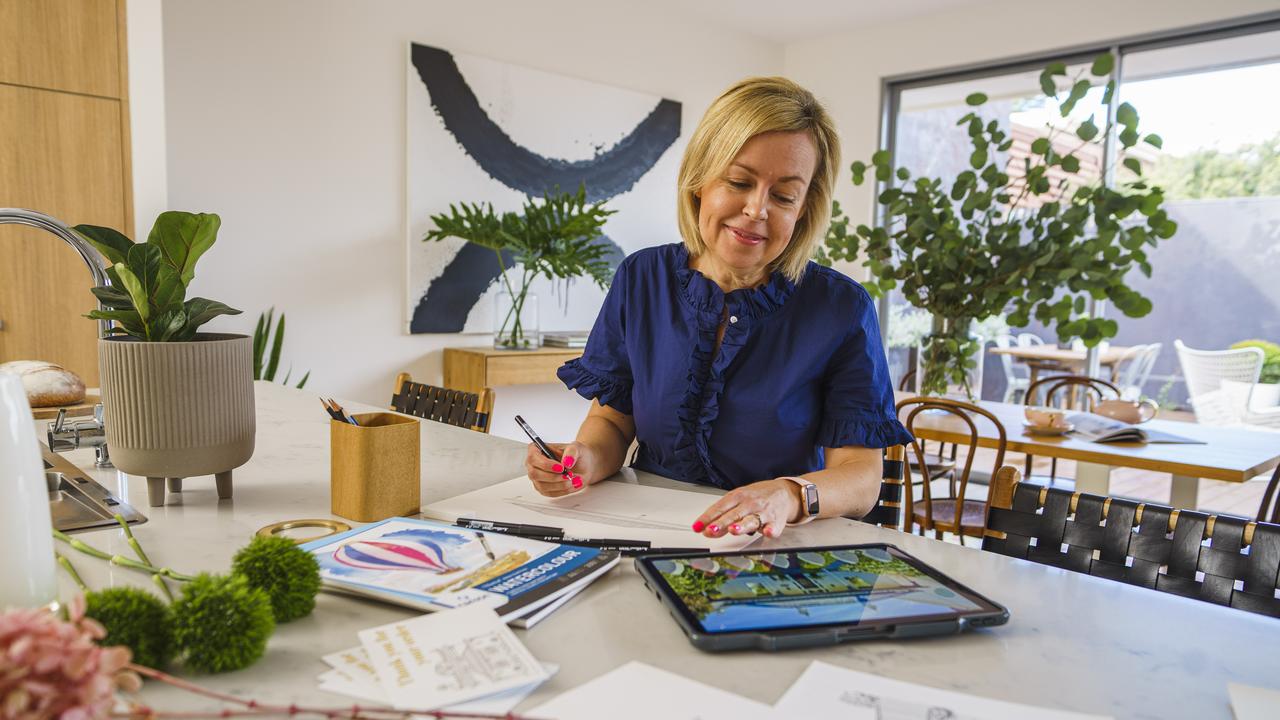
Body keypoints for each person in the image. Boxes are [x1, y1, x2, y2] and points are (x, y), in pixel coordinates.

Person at [524, 76, 912, 540]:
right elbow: (612, 418)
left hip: (773, 542)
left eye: (784, 195)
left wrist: (787, 496)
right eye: (739, 182)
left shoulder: (841, 308)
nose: (756, 209)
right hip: (647, 529)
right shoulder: (641, 278)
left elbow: (861, 476)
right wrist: (582, 460)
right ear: (699, 181)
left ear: (805, 209)